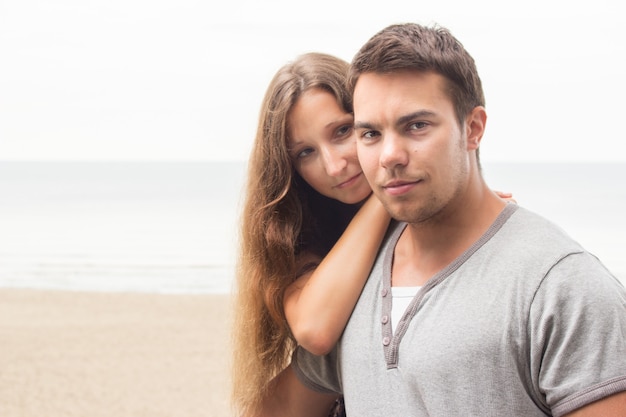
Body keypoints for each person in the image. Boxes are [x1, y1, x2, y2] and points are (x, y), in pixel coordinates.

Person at [255, 23, 626, 417]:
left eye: (416, 126)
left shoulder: (562, 287)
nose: (390, 155)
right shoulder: (350, 287)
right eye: (370, 133)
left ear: (473, 128)